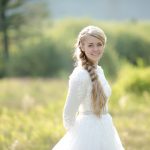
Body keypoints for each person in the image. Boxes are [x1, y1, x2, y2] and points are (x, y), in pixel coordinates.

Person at [52, 25, 124, 150]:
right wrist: (77, 137)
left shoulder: (99, 70)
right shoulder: (80, 75)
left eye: (99, 44)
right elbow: (68, 113)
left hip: (106, 127)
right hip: (86, 132)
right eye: (90, 45)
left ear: (104, 46)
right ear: (82, 46)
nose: (95, 49)